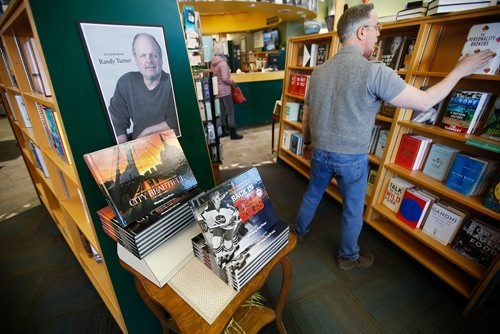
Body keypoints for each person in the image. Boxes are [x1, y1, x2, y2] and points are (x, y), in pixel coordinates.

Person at [292, 3, 494, 271]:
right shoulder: (374, 71)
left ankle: (297, 233)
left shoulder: (318, 73)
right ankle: (348, 257)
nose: (378, 34)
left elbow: (307, 114)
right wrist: (459, 70)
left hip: (320, 150)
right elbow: (424, 102)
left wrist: (306, 142)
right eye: (376, 27)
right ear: (362, 31)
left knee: (312, 195)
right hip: (352, 158)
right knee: (352, 210)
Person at [109, 33, 179, 143]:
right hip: (138, 147)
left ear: (161, 58)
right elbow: (117, 122)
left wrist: (145, 133)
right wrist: (124, 151)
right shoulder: (126, 82)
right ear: (136, 60)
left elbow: (176, 121)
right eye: (143, 55)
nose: (149, 61)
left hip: (170, 145)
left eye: (154, 55)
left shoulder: (173, 83)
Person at [211, 42, 243, 140]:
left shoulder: (213, 63)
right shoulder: (223, 63)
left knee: (222, 112)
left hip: (218, 91)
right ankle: (233, 133)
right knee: (230, 112)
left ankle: (222, 131)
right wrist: (232, 82)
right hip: (225, 91)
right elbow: (225, 78)